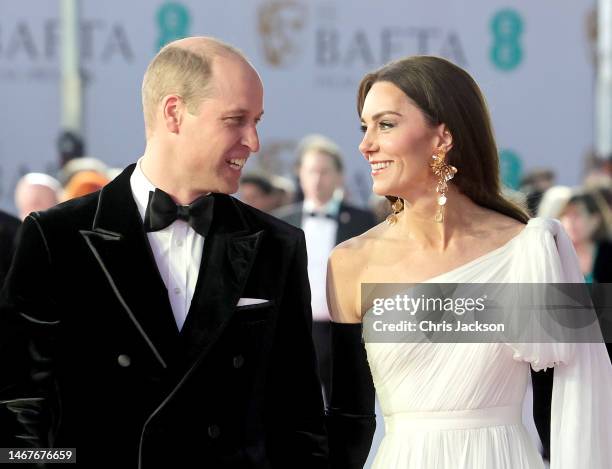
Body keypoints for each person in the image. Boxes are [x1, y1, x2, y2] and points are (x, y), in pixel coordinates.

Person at [0, 36, 327, 468]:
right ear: (174, 113)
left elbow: (297, 414)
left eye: (257, 121)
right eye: (236, 120)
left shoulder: (276, 245)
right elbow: (20, 406)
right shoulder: (57, 236)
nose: (254, 141)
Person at [325, 56, 612, 468]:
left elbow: (574, 397)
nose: (366, 144)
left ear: (442, 137)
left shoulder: (531, 248)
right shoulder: (350, 262)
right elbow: (349, 418)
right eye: (364, 126)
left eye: (385, 124)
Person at [275, 134, 376, 403]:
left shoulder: (363, 221)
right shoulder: (283, 222)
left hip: (346, 330)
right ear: (299, 174)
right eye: (311, 172)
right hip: (298, 330)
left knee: (346, 405)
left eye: (324, 172)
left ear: (339, 176)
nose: (317, 180)